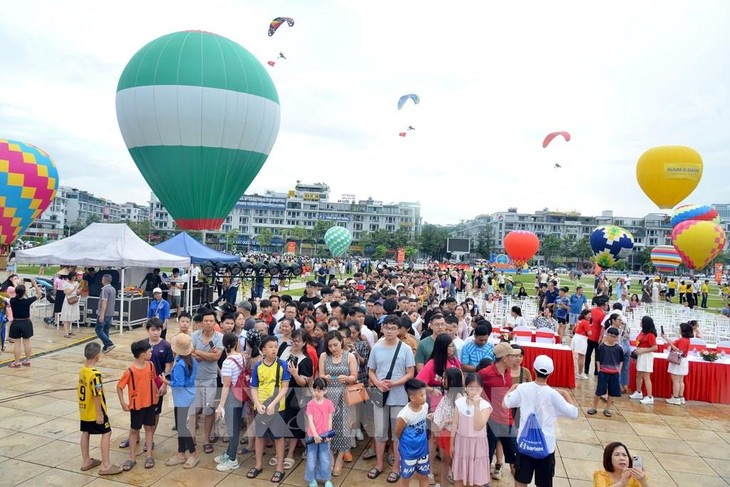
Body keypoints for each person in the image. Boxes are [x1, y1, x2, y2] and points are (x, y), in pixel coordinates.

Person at [504, 355, 579, 487]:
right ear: (551, 373)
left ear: (533, 369)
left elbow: (506, 404)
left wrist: (512, 389)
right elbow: (573, 413)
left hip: (524, 444)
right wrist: (566, 394)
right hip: (546, 446)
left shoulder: (523, 388)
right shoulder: (553, 394)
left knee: (521, 481)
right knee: (544, 483)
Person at [367, 315, 416, 482]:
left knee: (397, 434)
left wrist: (394, 383)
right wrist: (377, 383)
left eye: (393, 328)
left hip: (399, 396)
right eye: (386, 327)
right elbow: (371, 370)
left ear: (399, 330)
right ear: (382, 328)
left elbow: (410, 373)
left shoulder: (406, 349)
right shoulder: (376, 347)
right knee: (380, 432)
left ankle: (396, 467)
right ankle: (379, 465)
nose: (389, 331)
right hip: (380, 395)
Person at [248, 335, 291, 483]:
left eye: (275, 346)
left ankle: (280, 468)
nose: (274, 349)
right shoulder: (258, 367)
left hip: (277, 406)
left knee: (278, 437)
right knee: (259, 436)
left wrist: (273, 404)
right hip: (260, 406)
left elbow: (285, 388)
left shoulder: (282, 365)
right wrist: (258, 403)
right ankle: (258, 465)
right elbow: (253, 387)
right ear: (263, 350)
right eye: (270, 347)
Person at [77, 342, 122, 475]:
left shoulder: (83, 370)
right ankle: (106, 465)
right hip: (94, 411)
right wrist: (99, 413)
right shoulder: (95, 375)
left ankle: (86, 461)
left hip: (84, 410)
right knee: (106, 433)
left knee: (85, 432)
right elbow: (97, 394)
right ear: (97, 356)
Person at [479, 342, 520, 481]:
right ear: (504, 358)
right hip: (491, 422)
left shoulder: (508, 372)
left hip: (507, 421)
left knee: (515, 458)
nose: (516, 359)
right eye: (512, 356)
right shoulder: (485, 373)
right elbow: (472, 390)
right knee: (487, 457)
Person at [319, 330, 358, 475]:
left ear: (341, 342)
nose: (333, 348)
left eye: (335, 345)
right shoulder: (324, 356)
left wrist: (347, 378)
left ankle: (340, 458)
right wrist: (324, 377)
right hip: (327, 396)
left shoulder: (350, 357)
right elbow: (320, 375)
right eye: (330, 346)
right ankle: (330, 456)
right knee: (327, 427)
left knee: (343, 428)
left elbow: (354, 376)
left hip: (344, 396)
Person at [116, 340, 160, 471]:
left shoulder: (151, 365)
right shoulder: (130, 371)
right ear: (142, 354)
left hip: (150, 403)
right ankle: (132, 458)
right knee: (134, 430)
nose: (151, 352)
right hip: (136, 406)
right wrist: (123, 403)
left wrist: (156, 394)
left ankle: (149, 456)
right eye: (149, 351)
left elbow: (152, 379)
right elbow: (119, 387)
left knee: (149, 428)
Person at [164, 333, 199, 469]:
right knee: (180, 425)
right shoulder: (192, 360)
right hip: (188, 394)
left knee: (181, 427)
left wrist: (165, 381)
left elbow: (177, 383)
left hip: (181, 397)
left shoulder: (179, 364)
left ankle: (193, 452)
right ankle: (180, 453)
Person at [191, 309, 223, 454]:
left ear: (215, 322)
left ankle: (206, 440)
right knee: (194, 409)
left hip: (210, 378)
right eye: (206, 321)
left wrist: (198, 352)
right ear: (201, 323)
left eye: (211, 321)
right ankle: (191, 437)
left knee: (208, 410)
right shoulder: (194, 336)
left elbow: (216, 358)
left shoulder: (219, 337)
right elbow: (190, 355)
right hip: (195, 377)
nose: (208, 323)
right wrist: (207, 355)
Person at [451, 373, 492, 487]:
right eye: (471, 388)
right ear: (465, 388)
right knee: (458, 477)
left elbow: (478, 426)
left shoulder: (486, 406)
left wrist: (476, 406)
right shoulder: (459, 403)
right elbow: (455, 423)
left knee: (477, 479)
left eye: (477, 388)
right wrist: (452, 444)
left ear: (482, 389)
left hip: (477, 445)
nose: (474, 391)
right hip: (461, 442)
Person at [214, 332, 246, 471]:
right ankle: (228, 453)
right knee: (234, 426)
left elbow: (226, 385)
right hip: (241, 395)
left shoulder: (228, 362)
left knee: (232, 429)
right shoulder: (241, 357)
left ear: (225, 345)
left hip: (232, 396)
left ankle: (232, 459)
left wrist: (221, 405)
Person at [395, 379, 431, 487]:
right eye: (421, 395)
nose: (424, 397)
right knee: (406, 479)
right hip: (408, 452)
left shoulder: (425, 406)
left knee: (424, 477)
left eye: (424, 394)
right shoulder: (404, 415)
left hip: (423, 450)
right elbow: (397, 433)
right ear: (412, 398)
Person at [432, 368, 463, 487]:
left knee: (451, 460)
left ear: (453, 380)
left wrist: (446, 421)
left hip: (451, 433)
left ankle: (454, 481)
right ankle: (443, 483)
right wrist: (435, 415)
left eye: (445, 378)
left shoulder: (459, 396)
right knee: (444, 459)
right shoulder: (448, 393)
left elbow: (461, 417)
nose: (442, 380)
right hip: (444, 431)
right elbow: (444, 409)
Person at [305, 377, 335, 487]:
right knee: (312, 459)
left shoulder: (328, 403)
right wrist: (315, 435)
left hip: (325, 436)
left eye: (320, 390)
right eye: (315, 390)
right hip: (313, 436)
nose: (317, 393)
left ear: (325, 390)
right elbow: (310, 421)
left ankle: (326, 478)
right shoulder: (310, 404)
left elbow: (330, 419)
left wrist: (329, 433)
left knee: (325, 458)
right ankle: (311, 478)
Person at [588, 327, 623, 417]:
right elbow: (597, 359)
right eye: (610, 335)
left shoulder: (618, 348)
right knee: (599, 391)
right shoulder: (602, 347)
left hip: (614, 373)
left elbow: (621, 361)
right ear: (606, 335)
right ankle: (594, 407)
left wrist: (619, 371)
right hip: (603, 372)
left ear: (616, 338)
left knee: (611, 392)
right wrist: (599, 370)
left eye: (614, 336)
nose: (611, 338)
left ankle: (607, 409)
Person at [8, 278, 41, 368]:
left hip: (16, 322)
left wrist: (17, 284)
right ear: (24, 292)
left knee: (17, 344)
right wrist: (34, 284)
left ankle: (16, 362)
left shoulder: (12, 301)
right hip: (26, 322)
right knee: (27, 343)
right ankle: (27, 360)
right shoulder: (27, 301)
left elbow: (18, 292)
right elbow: (39, 294)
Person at [629, 316, 658, 405]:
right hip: (640, 354)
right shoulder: (642, 332)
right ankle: (638, 391)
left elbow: (655, 347)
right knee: (639, 374)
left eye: (642, 321)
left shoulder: (650, 335)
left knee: (646, 376)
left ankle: (649, 396)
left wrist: (642, 350)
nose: (640, 322)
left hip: (646, 355)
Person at [662, 322, 693, 405]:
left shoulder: (683, 340)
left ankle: (675, 398)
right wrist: (667, 339)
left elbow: (679, 350)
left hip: (679, 360)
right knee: (680, 380)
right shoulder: (686, 340)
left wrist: (669, 343)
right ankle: (680, 397)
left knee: (676, 380)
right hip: (682, 360)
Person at [96, 274, 117, 354]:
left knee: (98, 330)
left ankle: (109, 343)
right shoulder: (113, 289)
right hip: (110, 313)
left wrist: (101, 314)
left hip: (105, 313)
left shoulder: (105, 290)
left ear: (104, 280)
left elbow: (104, 302)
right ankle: (106, 347)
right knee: (106, 330)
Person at [572, 309, 592, 380]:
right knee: (582, 357)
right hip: (581, 339)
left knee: (580, 356)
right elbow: (589, 333)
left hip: (576, 337)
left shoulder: (579, 321)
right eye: (589, 315)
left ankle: (579, 372)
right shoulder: (585, 322)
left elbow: (573, 330)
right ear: (585, 315)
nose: (590, 316)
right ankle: (580, 373)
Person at [61, 271, 82, 338]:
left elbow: (78, 292)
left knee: (71, 316)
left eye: (75, 277)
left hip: (74, 299)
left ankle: (69, 331)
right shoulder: (66, 283)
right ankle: (66, 332)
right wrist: (74, 288)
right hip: (68, 300)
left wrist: (79, 290)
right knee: (66, 316)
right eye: (73, 277)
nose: (74, 278)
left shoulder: (76, 283)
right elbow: (67, 292)